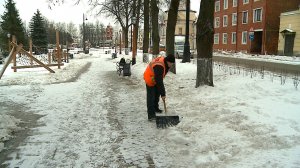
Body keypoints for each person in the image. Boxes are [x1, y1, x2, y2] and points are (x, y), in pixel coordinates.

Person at [143, 54, 175, 121]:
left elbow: (159, 78)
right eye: (171, 64)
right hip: (149, 78)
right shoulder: (159, 66)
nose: (171, 65)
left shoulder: (165, 63)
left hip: (155, 78)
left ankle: (155, 108)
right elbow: (159, 81)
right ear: (168, 61)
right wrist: (163, 93)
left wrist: (161, 92)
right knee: (151, 97)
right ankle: (151, 115)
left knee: (157, 93)